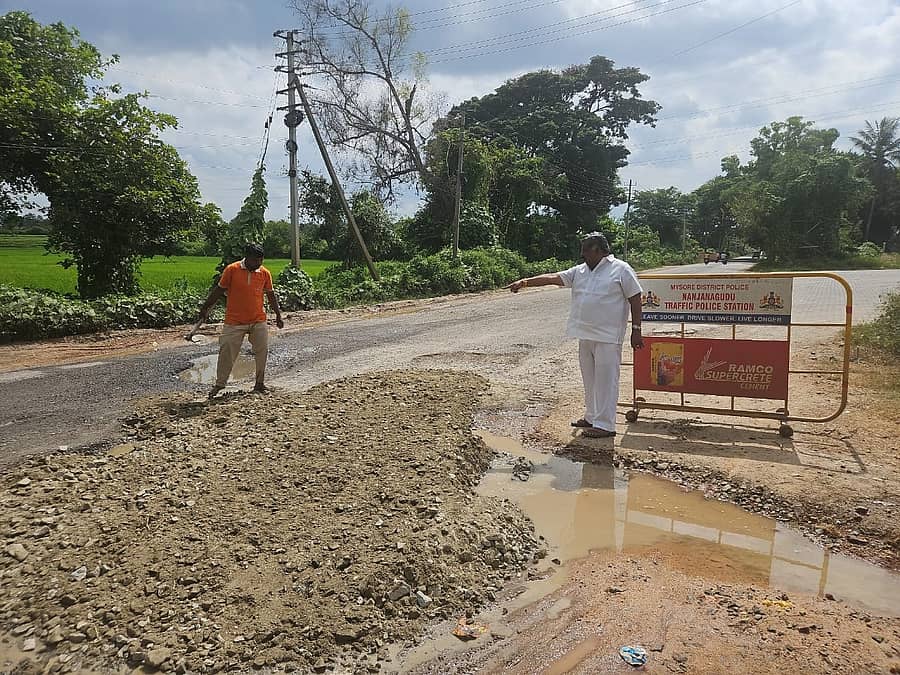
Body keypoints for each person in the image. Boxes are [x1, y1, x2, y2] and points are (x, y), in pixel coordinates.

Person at [508, 232, 644, 438]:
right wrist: (525, 282)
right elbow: (553, 278)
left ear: (598, 250)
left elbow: (635, 298)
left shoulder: (621, 269)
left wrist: (636, 330)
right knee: (589, 380)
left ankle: (606, 425)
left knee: (606, 381)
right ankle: (591, 417)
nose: (582, 254)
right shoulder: (580, 271)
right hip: (585, 335)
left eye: (586, 250)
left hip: (608, 337)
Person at [195, 242, 284, 398]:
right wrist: (205, 308)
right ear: (247, 257)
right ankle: (219, 384)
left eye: (260, 261)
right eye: (255, 261)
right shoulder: (232, 270)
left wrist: (278, 315)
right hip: (234, 321)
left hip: (258, 320)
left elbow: (270, 295)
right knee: (227, 352)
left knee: (262, 350)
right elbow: (219, 290)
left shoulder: (264, 273)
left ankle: (259, 383)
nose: (258, 264)